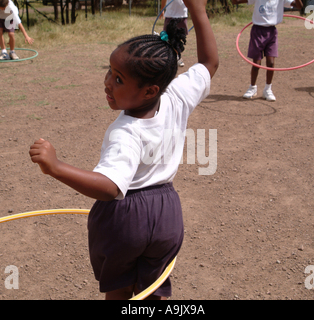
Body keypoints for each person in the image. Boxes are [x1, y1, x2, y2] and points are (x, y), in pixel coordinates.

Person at [29, 0, 218, 300]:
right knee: (153, 291)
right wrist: (199, 11)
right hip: (168, 214)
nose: (107, 82)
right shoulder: (176, 96)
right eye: (109, 71)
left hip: (126, 218)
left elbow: (110, 187)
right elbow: (209, 63)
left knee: (118, 293)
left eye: (118, 79)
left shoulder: (126, 132)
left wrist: (55, 166)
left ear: (149, 90)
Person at [233, 0, 302, 101]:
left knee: (271, 63)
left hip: (271, 32)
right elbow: (235, 2)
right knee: (256, 63)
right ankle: (252, 87)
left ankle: (268, 89)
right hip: (257, 31)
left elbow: (299, 6)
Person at [160, 0, 189, 67]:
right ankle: (169, 56)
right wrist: (162, 10)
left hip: (182, 15)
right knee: (168, 38)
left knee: (179, 39)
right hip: (170, 15)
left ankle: (178, 57)